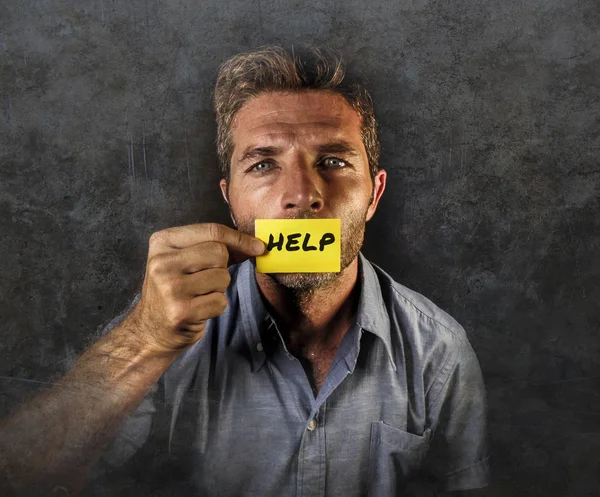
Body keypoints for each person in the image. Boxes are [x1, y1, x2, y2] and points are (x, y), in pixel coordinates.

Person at [0, 45, 489, 497]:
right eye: (263, 165)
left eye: (334, 160)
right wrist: (144, 340)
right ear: (229, 197)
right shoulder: (166, 326)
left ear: (374, 196)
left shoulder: (438, 351)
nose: (301, 194)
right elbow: (21, 476)